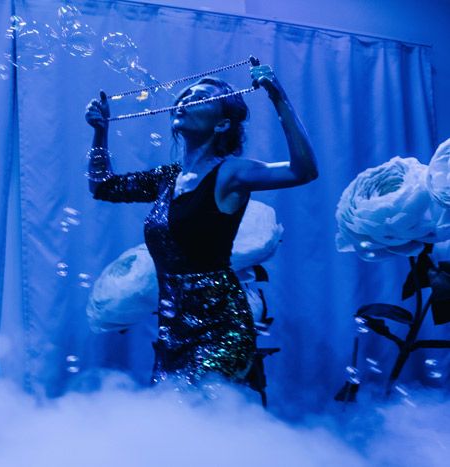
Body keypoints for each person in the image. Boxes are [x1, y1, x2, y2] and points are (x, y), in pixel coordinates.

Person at [84, 64, 318, 388]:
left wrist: (279, 97)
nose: (186, 99)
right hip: (172, 330)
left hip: (221, 329)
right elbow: (103, 186)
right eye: (186, 94)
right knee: (173, 416)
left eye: (201, 97)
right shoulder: (168, 178)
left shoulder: (231, 173)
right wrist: (100, 130)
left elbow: (303, 170)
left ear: (222, 123)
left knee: (206, 414)